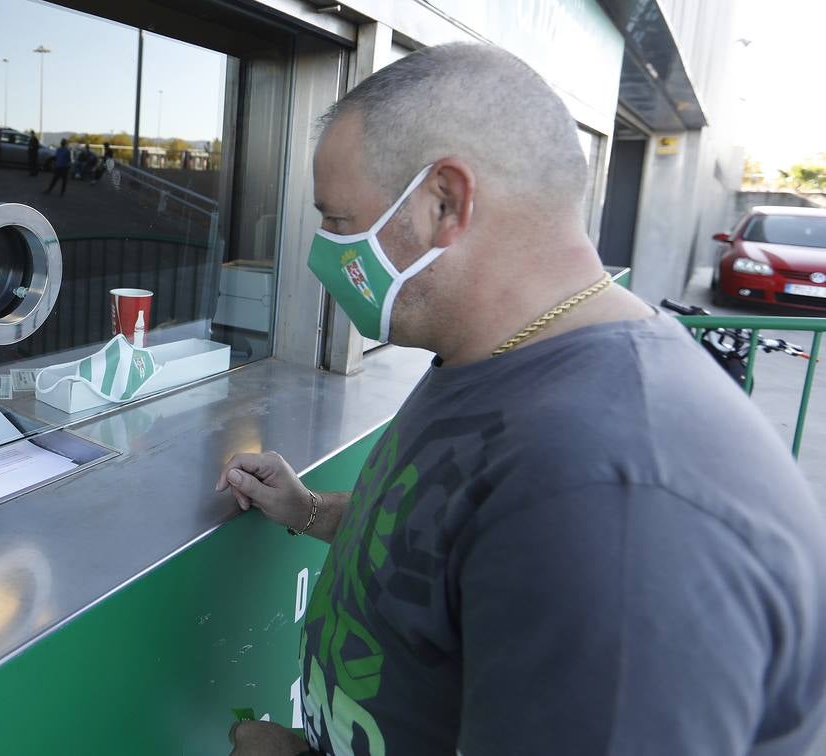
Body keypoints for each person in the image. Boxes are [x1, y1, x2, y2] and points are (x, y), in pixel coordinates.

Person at [218, 43, 826, 756]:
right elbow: (449, 527)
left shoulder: (618, 498)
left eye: (341, 222)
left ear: (444, 201)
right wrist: (310, 509)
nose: (326, 253)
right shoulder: (501, 358)